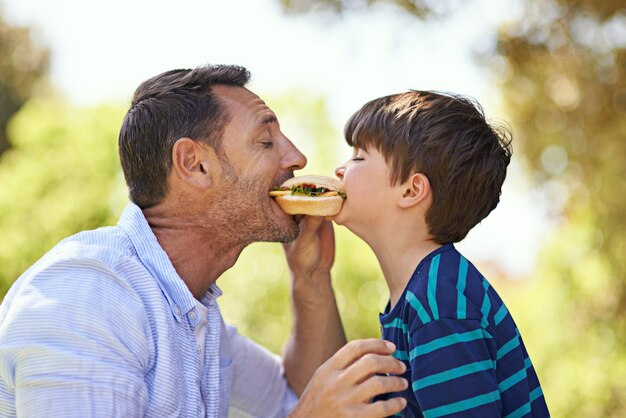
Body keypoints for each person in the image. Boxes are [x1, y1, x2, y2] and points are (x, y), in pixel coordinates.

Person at [0, 64, 409, 417]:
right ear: (194, 165)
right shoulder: (89, 295)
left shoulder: (197, 319)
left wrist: (312, 278)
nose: (298, 158)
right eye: (266, 141)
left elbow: (304, 396)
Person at [333, 90, 550, 417]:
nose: (340, 169)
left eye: (359, 157)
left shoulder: (439, 305)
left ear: (411, 190)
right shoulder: (425, 293)